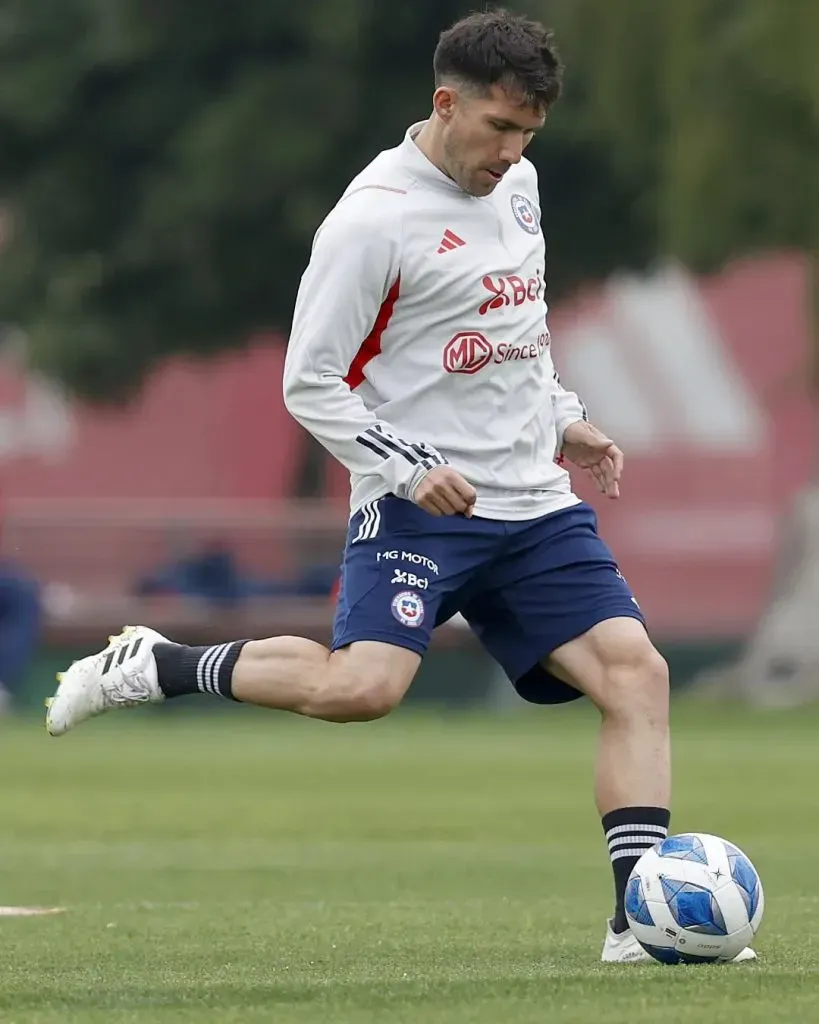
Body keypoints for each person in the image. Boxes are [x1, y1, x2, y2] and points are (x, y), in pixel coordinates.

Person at [45, 9, 754, 964]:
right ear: (443, 103)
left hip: (533, 502)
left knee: (638, 674)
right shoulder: (371, 221)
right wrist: (409, 469)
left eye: (528, 134)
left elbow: (514, 330)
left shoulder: (521, 186)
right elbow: (310, 380)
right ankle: (163, 663)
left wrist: (562, 417)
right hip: (418, 505)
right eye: (498, 129)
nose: (511, 152)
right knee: (362, 691)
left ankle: (638, 921)